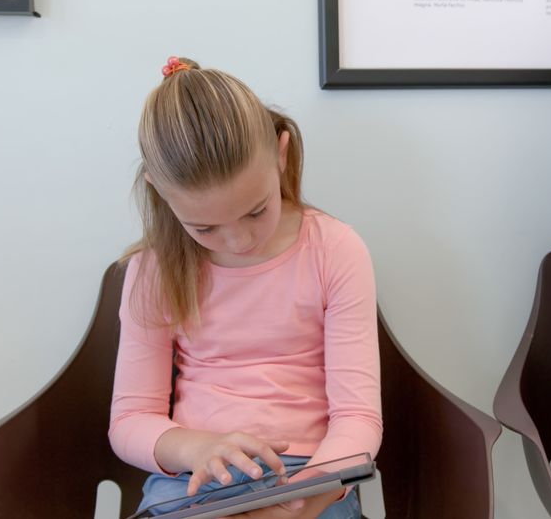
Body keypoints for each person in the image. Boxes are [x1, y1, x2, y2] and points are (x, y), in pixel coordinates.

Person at [109, 56, 381, 519]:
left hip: (309, 474)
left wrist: (304, 499)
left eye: (256, 211)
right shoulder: (153, 269)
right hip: (191, 480)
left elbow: (358, 419)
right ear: (160, 192)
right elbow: (130, 421)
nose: (240, 240)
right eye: (205, 228)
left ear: (282, 154)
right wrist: (195, 448)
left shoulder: (335, 249)